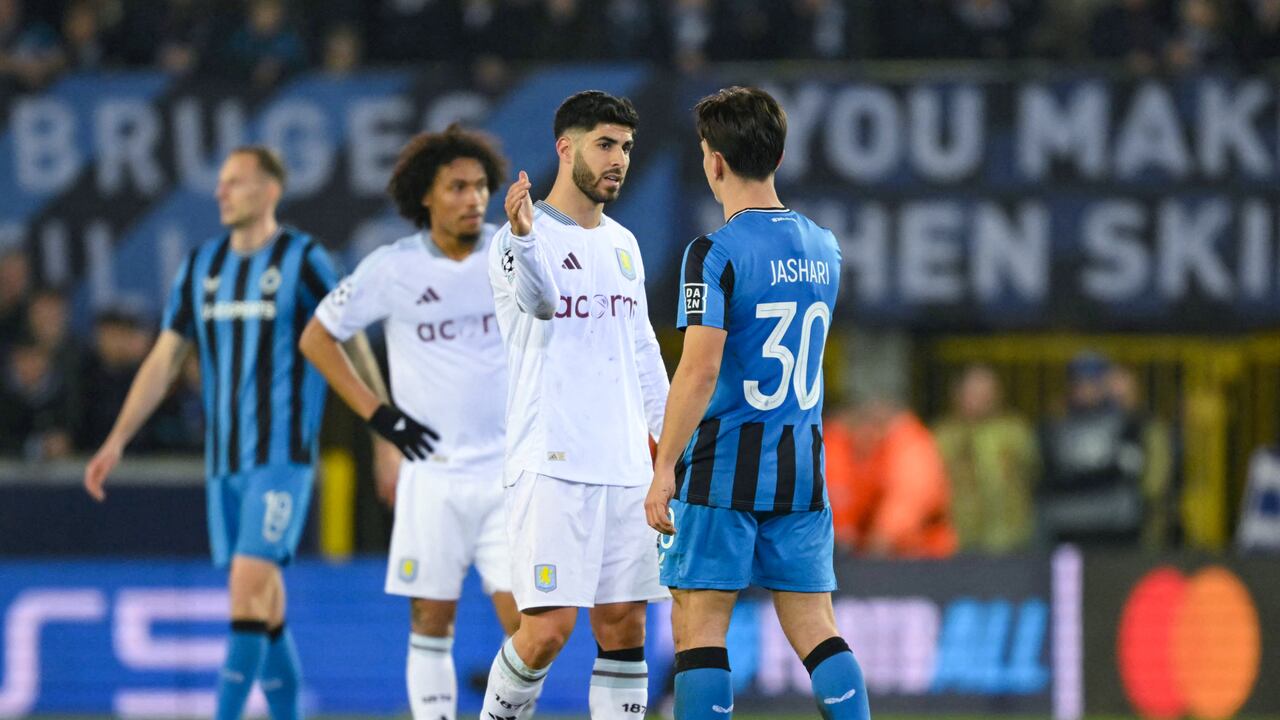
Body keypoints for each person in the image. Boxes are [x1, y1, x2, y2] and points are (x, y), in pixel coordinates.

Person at [83, 146, 346, 720]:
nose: (222, 192)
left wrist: (380, 428)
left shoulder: (303, 260)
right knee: (267, 611)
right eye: (221, 183)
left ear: (271, 190)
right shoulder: (200, 266)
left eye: (236, 182)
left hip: (282, 458)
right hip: (223, 462)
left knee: (248, 590)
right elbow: (163, 359)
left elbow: (345, 339)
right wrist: (116, 440)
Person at [644, 86, 869, 720]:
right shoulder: (826, 248)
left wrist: (665, 469)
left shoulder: (713, 253)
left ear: (714, 161)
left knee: (700, 620)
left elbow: (700, 368)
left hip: (722, 467)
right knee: (813, 622)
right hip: (800, 467)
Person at [298, 126, 519, 720]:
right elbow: (318, 338)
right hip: (432, 474)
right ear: (426, 195)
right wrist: (380, 418)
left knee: (530, 625)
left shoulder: (511, 253)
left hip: (509, 471)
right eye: (457, 187)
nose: (474, 198)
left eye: (480, 187)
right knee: (430, 619)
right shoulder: (392, 269)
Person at [480, 90, 670, 720]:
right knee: (548, 630)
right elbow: (541, 303)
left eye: (626, 148)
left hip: (624, 469)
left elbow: (643, 353)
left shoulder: (625, 244)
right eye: (605, 145)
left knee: (623, 628)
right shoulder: (514, 238)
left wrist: (672, 453)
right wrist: (527, 238)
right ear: (566, 149)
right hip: (552, 464)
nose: (618, 160)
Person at [933, 364, 1038, 554]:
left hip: (1010, 539)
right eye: (975, 392)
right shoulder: (943, 435)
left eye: (988, 392)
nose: (983, 398)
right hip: (958, 540)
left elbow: (1034, 473)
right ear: (958, 394)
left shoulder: (1014, 431)